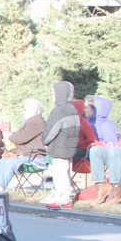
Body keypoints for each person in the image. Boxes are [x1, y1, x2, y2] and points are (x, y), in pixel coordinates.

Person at [0, 98, 46, 191]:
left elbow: (19, 138)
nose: (24, 112)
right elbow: (19, 137)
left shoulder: (36, 122)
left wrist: (8, 134)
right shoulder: (31, 122)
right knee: (3, 161)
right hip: (27, 154)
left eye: (25, 109)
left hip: (35, 157)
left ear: (34, 110)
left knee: (10, 162)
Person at [41, 81, 81, 209]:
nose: (53, 96)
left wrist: (44, 140)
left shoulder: (59, 110)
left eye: (53, 93)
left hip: (59, 147)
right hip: (70, 146)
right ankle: (63, 197)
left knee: (60, 173)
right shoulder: (72, 109)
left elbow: (50, 132)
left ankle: (63, 199)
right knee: (65, 172)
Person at [87, 96, 121, 205]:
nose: (85, 110)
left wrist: (101, 143)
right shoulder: (88, 122)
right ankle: (101, 187)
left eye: (88, 107)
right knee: (95, 150)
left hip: (115, 155)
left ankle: (116, 188)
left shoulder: (107, 124)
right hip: (102, 154)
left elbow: (113, 144)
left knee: (113, 151)